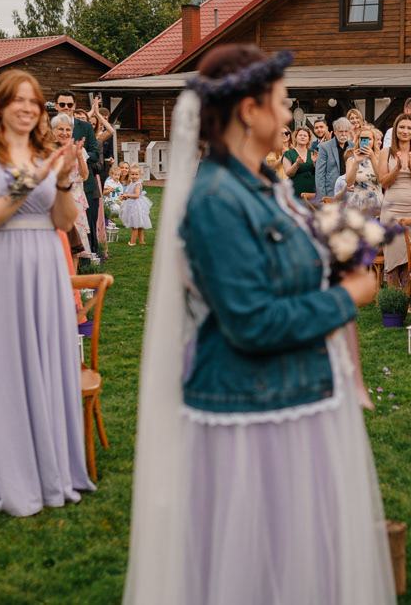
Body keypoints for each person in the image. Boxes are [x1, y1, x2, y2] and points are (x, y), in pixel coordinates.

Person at [122, 45, 395, 604]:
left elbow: (283, 268)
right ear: (250, 110)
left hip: (298, 391)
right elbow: (250, 322)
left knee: (304, 564)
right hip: (251, 414)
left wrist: (335, 257)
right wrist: (347, 296)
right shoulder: (216, 200)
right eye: (283, 102)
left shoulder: (266, 183)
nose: (290, 114)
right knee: (260, 567)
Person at [0, 68, 94, 517]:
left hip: (46, 265)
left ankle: (53, 468)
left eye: (35, 101)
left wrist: (63, 179)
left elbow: (64, 221)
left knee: (49, 361)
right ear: (0, 106)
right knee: (5, 365)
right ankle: (7, 473)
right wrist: (32, 178)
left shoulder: (46, 154)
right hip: (2, 264)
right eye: (19, 100)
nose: (28, 108)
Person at [377, 112, 411, 288]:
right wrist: (397, 168)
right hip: (391, 209)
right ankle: (393, 298)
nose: (405, 131)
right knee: (392, 257)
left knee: (409, 256)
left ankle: (405, 297)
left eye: (409, 128)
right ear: (395, 130)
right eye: (402, 127)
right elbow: (384, 182)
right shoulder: (385, 152)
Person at [53, 90, 100, 254]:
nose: (66, 107)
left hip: (82, 185)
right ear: (56, 106)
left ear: (74, 105)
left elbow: (95, 153)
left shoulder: (85, 126)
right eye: (62, 104)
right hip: (55, 191)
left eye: (69, 104)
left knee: (85, 228)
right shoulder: (50, 128)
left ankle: (89, 260)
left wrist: (79, 154)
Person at [51, 113, 92, 259]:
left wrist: (79, 155)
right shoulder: (48, 150)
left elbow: (85, 176)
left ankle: (73, 273)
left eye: (68, 129)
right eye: (60, 129)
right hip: (54, 199)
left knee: (74, 247)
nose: (64, 133)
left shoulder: (79, 150)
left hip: (75, 200)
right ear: (53, 131)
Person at [343, 124, 383, 213]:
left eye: (369, 139)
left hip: (375, 203)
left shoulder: (380, 158)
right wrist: (356, 162)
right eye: (362, 139)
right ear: (358, 141)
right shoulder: (351, 160)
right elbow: (349, 182)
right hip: (357, 203)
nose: (366, 142)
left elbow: (381, 180)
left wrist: (372, 158)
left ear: (374, 141)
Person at [315, 117, 353, 198]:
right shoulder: (325, 147)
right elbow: (320, 174)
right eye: (341, 131)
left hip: (350, 193)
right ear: (335, 131)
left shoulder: (353, 146)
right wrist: (322, 198)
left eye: (346, 131)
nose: (344, 134)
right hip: (331, 193)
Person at [120, 166, 152, 246]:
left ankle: (132, 242)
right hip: (131, 204)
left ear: (140, 175)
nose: (134, 176)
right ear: (130, 174)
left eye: (136, 174)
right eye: (132, 174)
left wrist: (127, 195)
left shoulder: (138, 184)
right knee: (138, 225)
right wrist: (125, 196)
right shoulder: (131, 183)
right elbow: (130, 193)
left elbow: (137, 195)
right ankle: (141, 241)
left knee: (135, 225)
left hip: (136, 205)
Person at [282, 127, 316, 197]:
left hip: (313, 189)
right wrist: (296, 164)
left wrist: (315, 163)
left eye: (305, 136)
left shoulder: (314, 153)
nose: (302, 137)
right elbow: (288, 174)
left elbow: (320, 173)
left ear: (309, 139)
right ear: (295, 137)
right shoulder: (288, 153)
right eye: (300, 135)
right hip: (295, 188)